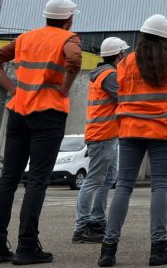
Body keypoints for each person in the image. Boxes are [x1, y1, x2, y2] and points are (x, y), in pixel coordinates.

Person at [0, 0, 82, 265]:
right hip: (48, 114)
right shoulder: (68, 39)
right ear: (69, 18)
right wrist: (64, 88)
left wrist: (13, 89)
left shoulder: (25, 39)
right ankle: (27, 247)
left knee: (8, 180)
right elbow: (74, 61)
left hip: (19, 112)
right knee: (37, 180)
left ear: (46, 16)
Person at [98, 15, 167, 267]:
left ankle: (108, 250)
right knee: (160, 186)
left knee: (123, 186)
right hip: (162, 130)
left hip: (130, 129)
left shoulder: (125, 62)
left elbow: (120, 90)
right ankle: (158, 249)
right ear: (166, 38)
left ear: (143, 35)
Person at [73, 37, 129, 243]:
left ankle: (96, 221)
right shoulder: (109, 75)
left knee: (106, 178)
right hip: (102, 135)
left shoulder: (103, 73)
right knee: (94, 180)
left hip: (108, 134)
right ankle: (82, 226)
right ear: (119, 55)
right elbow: (125, 98)